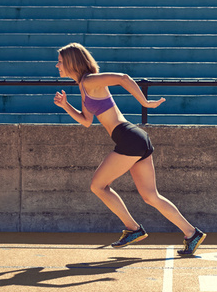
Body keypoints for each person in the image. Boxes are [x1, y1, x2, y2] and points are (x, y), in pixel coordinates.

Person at [53, 43, 206, 256]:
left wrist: (145, 102)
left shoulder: (90, 80)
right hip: (135, 138)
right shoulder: (84, 85)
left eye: (60, 61)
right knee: (151, 196)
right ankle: (192, 234)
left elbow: (123, 78)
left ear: (71, 62)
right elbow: (87, 121)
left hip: (129, 138)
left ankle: (133, 229)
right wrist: (66, 106)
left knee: (98, 186)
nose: (57, 65)